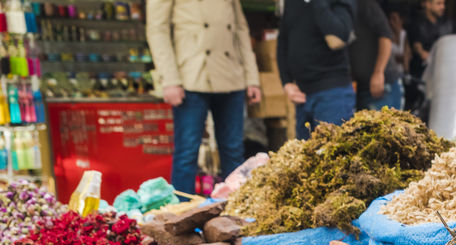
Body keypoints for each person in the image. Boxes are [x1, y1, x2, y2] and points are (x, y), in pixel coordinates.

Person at [146, 0, 262, 195]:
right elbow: (157, 30)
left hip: (231, 76)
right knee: (187, 154)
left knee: (233, 152)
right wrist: (169, 79)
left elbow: (241, 31)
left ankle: (236, 215)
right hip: (190, 78)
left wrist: (252, 78)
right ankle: (181, 218)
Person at [278, 0, 358, 140]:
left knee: (333, 157)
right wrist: (286, 82)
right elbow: (283, 40)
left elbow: (339, 37)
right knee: (304, 158)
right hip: (302, 96)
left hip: (333, 95)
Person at [352, 0, 403, 110]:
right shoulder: (338, 9)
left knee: (387, 126)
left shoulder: (364, 4)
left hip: (383, 84)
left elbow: (386, 36)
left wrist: (378, 72)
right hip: (360, 88)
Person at [408, 0, 451, 78]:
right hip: (423, 74)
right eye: (439, 4)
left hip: (445, 71)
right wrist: (423, 54)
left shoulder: (448, 23)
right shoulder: (417, 24)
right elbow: (417, 46)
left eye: (443, 3)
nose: (443, 7)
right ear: (427, 4)